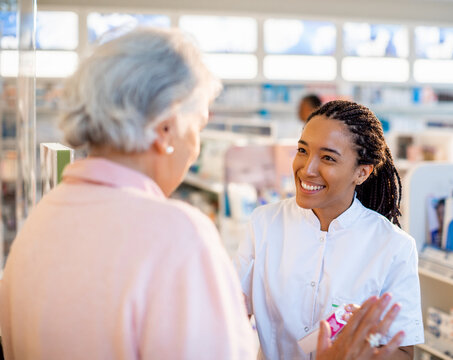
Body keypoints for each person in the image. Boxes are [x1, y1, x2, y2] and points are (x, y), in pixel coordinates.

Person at [0, 28, 403, 360]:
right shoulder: (176, 233)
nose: (197, 147)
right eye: (198, 124)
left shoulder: (42, 218)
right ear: (166, 129)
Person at [235, 100, 424, 359]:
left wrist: (360, 346)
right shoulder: (264, 224)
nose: (307, 169)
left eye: (327, 158)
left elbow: (403, 352)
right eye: (302, 150)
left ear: (362, 172)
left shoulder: (393, 246)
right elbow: (231, 318)